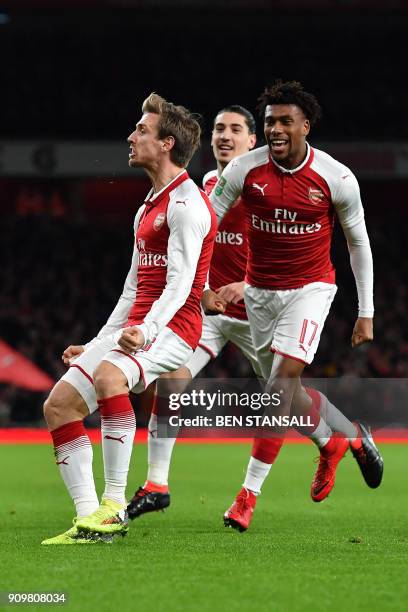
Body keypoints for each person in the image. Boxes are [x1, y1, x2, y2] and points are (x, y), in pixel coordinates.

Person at [127, 103, 382, 531]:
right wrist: (201, 290)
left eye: (236, 130)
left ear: (252, 141)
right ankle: (156, 484)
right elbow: (197, 248)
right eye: (219, 130)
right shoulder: (210, 189)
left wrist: (245, 285)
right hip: (212, 310)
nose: (225, 136)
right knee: (170, 382)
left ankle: (339, 440)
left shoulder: (269, 183)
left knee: (285, 398)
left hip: (260, 306)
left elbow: (296, 251)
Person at [41, 93, 217, 545]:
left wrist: (147, 330)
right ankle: (90, 524)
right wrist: (101, 339)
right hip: (134, 327)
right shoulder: (146, 208)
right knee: (58, 406)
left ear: (167, 143)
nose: (131, 135)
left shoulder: (187, 205)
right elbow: (133, 288)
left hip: (174, 327)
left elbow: (179, 287)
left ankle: (115, 504)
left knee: (109, 377)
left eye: (142, 129)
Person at [209, 81, 383, 531]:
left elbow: (358, 243)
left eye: (285, 121)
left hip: (310, 289)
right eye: (269, 122)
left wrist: (366, 311)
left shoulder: (335, 177)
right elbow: (204, 228)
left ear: (305, 126)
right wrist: (199, 289)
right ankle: (334, 443)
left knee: (280, 385)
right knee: (287, 394)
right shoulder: (243, 171)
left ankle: (247, 497)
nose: (275, 129)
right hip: (259, 295)